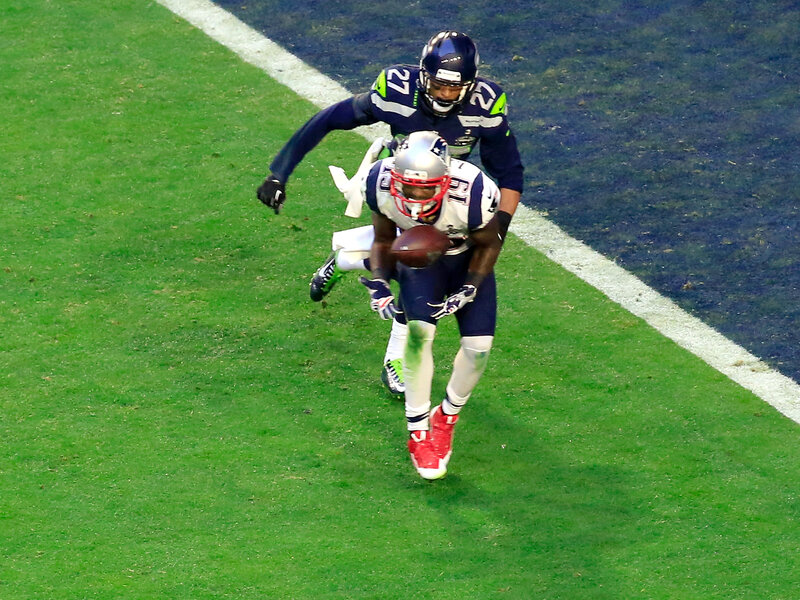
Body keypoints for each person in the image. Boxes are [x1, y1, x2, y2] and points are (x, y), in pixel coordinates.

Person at [257, 31, 523, 395]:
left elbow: (510, 173)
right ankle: (395, 359)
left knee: (421, 254)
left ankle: (347, 259)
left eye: (454, 88)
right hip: (395, 180)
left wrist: (499, 230)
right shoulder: (397, 90)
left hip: (447, 188)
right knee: (420, 261)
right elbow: (330, 118)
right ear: (423, 76)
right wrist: (279, 172)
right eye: (438, 86)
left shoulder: (485, 106)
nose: (446, 95)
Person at [359, 130, 503, 480]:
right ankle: (418, 431)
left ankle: (446, 417)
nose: (416, 195)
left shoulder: (473, 192)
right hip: (420, 266)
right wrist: (379, 281)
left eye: (426, 187)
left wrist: (470, 287)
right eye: (408, 186)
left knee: (479, 349)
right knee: (419, 336)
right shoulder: (379, 181)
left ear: (445, 179)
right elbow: (382, 239)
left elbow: (490, 243)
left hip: (465, 259)